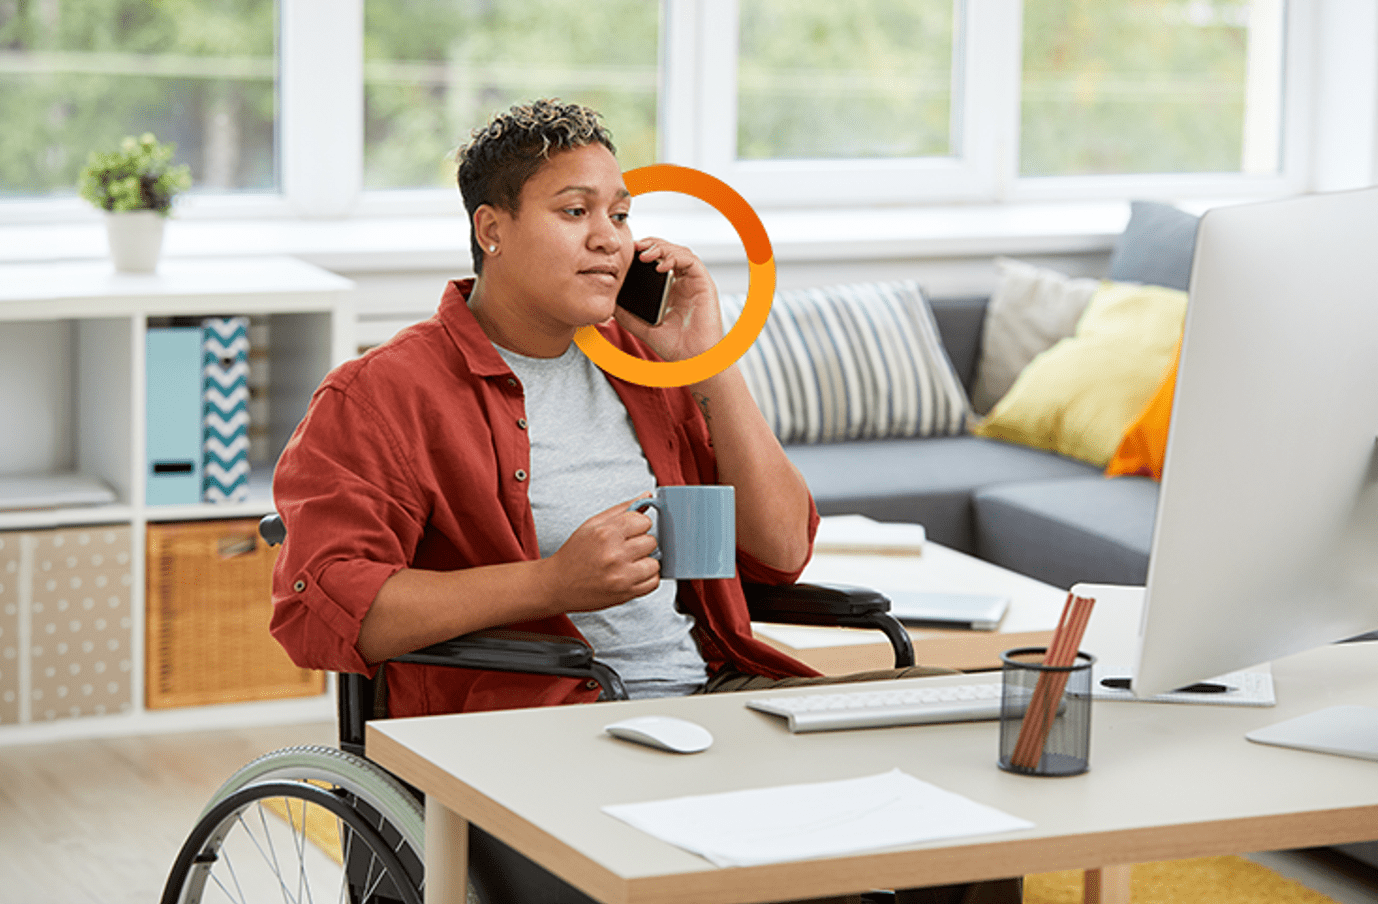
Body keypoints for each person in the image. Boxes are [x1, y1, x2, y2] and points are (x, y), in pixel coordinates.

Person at [269, 99, 1015, 904]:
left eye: (621, 214)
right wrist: (551, 585)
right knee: (817, 875)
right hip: (535, 730)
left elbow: (777, 547)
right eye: (575, 211)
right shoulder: (382, 394)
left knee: (968, 754)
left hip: (713, 700)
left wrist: (708, 359)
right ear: (492, 228)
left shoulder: (642, 365)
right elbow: (324, 610)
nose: (608, 237)